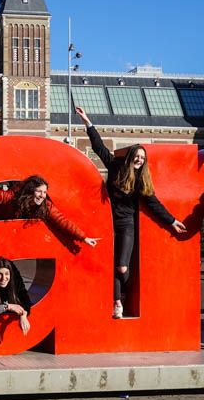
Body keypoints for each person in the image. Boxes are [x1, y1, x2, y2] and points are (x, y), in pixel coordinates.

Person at [75, 106, 187, 319]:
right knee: (110, 263)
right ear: (130, 157)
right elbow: (99, 147)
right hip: (108, 220)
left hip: (126, 224)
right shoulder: (116, 166)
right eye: (137, 156)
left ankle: (125, 292)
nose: (139, 160)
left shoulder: (142, 181)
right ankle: (117, 302)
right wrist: (87, 122)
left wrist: (172, 221)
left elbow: (154, 203)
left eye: (142, 158)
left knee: (121, 267)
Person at [0, 175, 99, 248]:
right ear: (30, 191)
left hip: (1, 225)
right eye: (39, 191)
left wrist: (83, 237)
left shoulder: (45, 206)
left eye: (44, 192)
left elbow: (62, 221)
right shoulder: (11, 198)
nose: (42, 195)